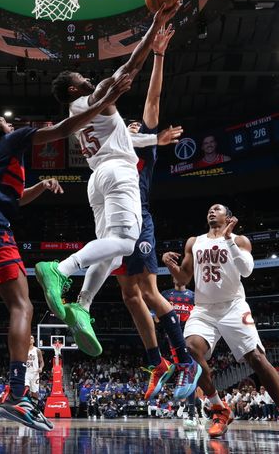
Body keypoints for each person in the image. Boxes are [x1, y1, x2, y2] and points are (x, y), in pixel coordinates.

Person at [0, 76, 133, 433]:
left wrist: (38, 187)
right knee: (21, 306)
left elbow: (10, 197)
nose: (9, 123)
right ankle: (16, 395)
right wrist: (106, 101)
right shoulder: (10, 138)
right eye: (3, 120)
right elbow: (65, 128)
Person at [35, 0, 181, 357]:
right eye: (78, 77)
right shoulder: (95, 94)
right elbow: (132, 63)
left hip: (97, 179)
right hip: (117, 174)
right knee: (127, 243)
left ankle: (80, 304)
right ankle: (60, 268)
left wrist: (153, 139)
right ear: (73, 89)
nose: (85, 76)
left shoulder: (77, 114)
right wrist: (154, 26)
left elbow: (123, 136)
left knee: (110, 254)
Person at [105, 23, 199, 403]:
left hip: (139, 220)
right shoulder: (113, 152)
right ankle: (156, 361)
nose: (130, 127)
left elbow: (153, 102)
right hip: (115, 225)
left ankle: (184, 359)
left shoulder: (144, 147)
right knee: (129, 295)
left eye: (133, 126)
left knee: (147, 289)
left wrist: (158, 55)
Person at [162, 204, 279, 440]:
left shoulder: (240, 240)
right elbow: (184, 277)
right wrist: (169, 264)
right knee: (190, 349)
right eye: (209, 209)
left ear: (228, 216)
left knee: (256, 359)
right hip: (204, 308)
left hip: (234, 306)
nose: (211, 211)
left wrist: (228, 240)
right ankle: (219, 409)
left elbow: (246, 271)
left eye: (217, 209)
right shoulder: (194, 242)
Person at [159, 277, 199, 422]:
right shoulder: (165, 295)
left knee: (189, 371)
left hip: (189, 335)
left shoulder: (194, 296)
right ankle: (182, 408)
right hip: (171, 337)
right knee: (183, 371)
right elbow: (155, 317)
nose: (178, 275)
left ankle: (191, 411)